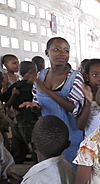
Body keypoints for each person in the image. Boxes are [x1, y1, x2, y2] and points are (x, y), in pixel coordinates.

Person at [20, 37, 84, 167]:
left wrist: (47, 91)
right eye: (56, 49)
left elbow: (75, 108)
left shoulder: (75, 77)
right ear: (47, 52)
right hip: (47, 140)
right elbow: (39, 105)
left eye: (66, 51)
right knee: (52, 178)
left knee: (71, 177)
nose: (62, 53)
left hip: (70, 139)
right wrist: (34, 108)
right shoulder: (40, 76)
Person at [0, 61, 38, 164]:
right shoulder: (35, 86)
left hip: (16, 121)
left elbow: (3, 97)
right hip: (29, 120)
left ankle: (15, 171)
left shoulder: (16, 85)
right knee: (35, 148)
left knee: (18, 150)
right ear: (32, 72)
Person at [77, 59, 100, 138]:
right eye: (95, 75)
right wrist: (89, 102)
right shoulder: (83, 97)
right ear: (87, 77)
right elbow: (80, 126)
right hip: (92, 145)